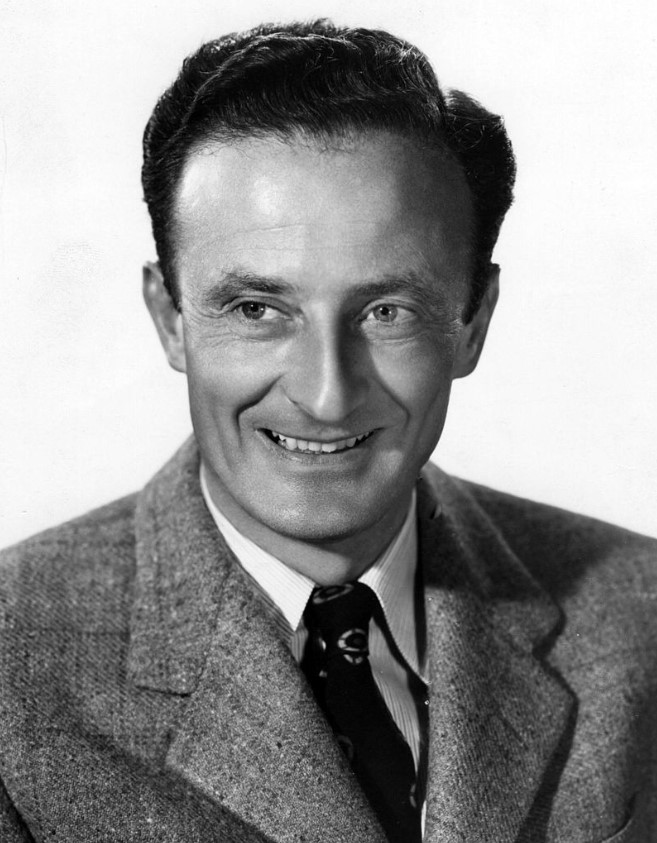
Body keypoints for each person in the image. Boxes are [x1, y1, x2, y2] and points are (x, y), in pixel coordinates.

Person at [0, 19, 655, 843]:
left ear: (472, 323)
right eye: (256, 309)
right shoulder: (14, 672)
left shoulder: (640, 617)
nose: (324, 394)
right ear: (169, 318)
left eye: (387, 311)